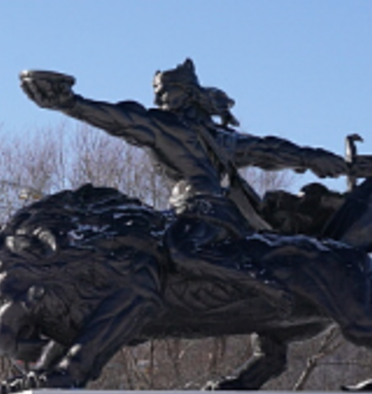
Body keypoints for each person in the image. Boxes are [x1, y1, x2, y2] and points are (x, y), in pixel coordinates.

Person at [19, 59, 348, 287]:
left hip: (202, 215)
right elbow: (120, 119)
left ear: (189, 94)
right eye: (157, 93)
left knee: (179, 254)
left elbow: (270, 150)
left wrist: (314, 157)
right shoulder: (206, 134)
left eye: (167, 91)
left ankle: (260, 283)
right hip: (217, 217)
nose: (159, 98)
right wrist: (71, 104)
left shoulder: (185, 130)